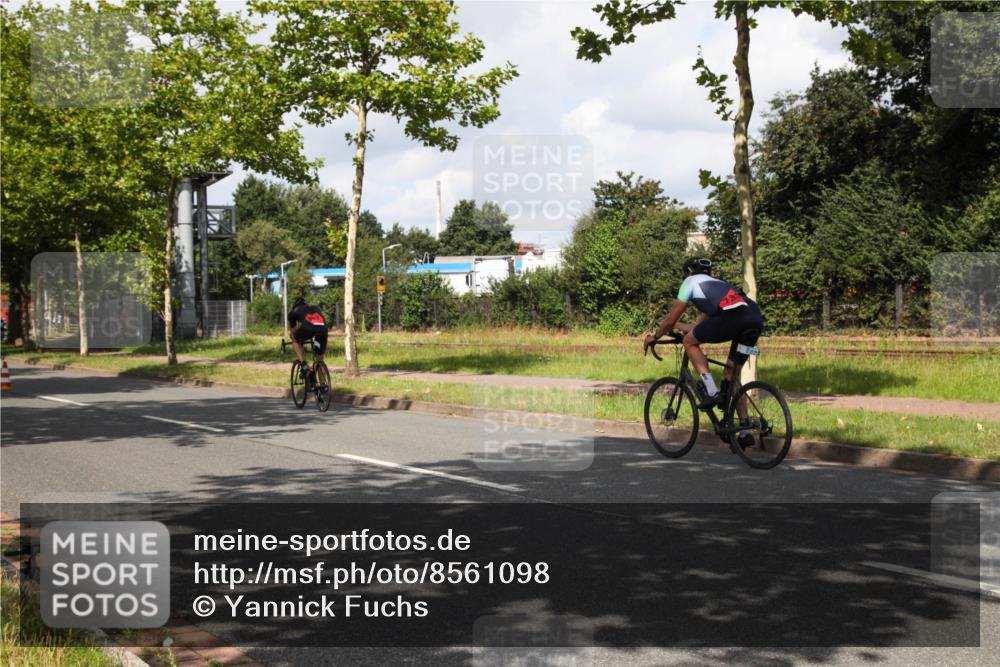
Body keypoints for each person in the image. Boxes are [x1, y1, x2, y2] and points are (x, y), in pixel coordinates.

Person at [643, 257, 764, 447]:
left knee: (689, 341)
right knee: (731, 375)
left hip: (734, 319)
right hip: (754, 320)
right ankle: (744, 431)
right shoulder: (721, 287)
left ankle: (711, 390)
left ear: (689, 272)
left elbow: (672, 322)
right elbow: (697, 326)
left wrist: (655, 336)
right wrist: (674, 328)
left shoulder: (689, 283)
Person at [287, 296, 328, 378]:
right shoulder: (314, 307)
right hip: (323, 328)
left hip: (308, 327)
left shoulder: (293, 312)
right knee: (319, 359)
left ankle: (304, 366)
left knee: (295, 340)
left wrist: (293, 336)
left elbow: (293, 331)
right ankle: (323, 386)